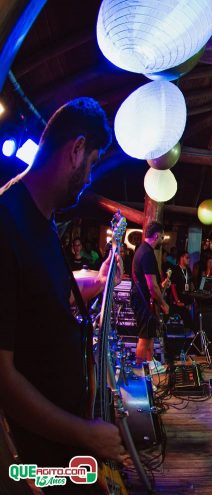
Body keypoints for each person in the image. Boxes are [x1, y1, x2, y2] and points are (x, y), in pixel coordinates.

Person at [0, 97, 125, 493]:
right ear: (75, 150)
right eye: (91, 162)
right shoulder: (6, 224)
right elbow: (2, 377)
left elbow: (39, 293)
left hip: (62, 448)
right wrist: (86, 435)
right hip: (36, 457)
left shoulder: (42, 219)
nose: (89, 177)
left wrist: (92, 280)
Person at [131, 221, 170, 372]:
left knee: (149, 333)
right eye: (162, 237)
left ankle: (149, 363)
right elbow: (151, 286)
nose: (162, 240)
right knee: (144, 337)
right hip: (142, 301)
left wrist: (163, 285)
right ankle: (139, 372)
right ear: (156, 236)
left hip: (142, 299)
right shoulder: (147, 253)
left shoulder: (143, 250)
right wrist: (163, 303)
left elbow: (151, 283)